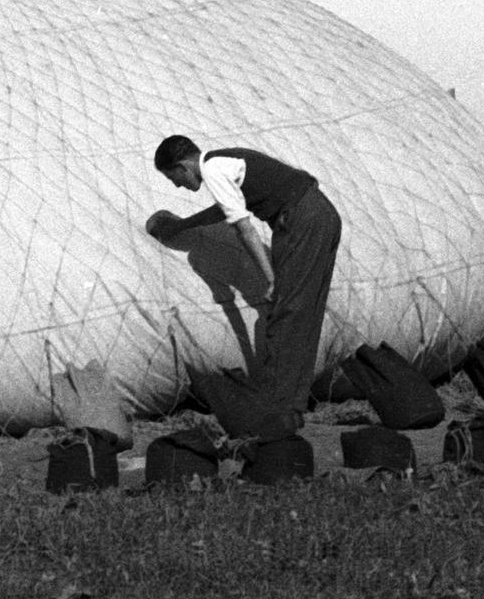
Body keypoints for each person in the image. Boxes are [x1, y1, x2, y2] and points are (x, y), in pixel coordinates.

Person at [146, 135, 343, 442]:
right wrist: (181, 226)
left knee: (286, 314)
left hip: (302, 221)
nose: (178, 186)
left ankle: (279, 413)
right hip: (319, 214)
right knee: (301, 313)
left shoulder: (212, 170)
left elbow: (243, 228)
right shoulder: (224, 160)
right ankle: (289, 408)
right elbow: (222, 212)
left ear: (184, 166)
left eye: (175, 178)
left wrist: (271, 278)